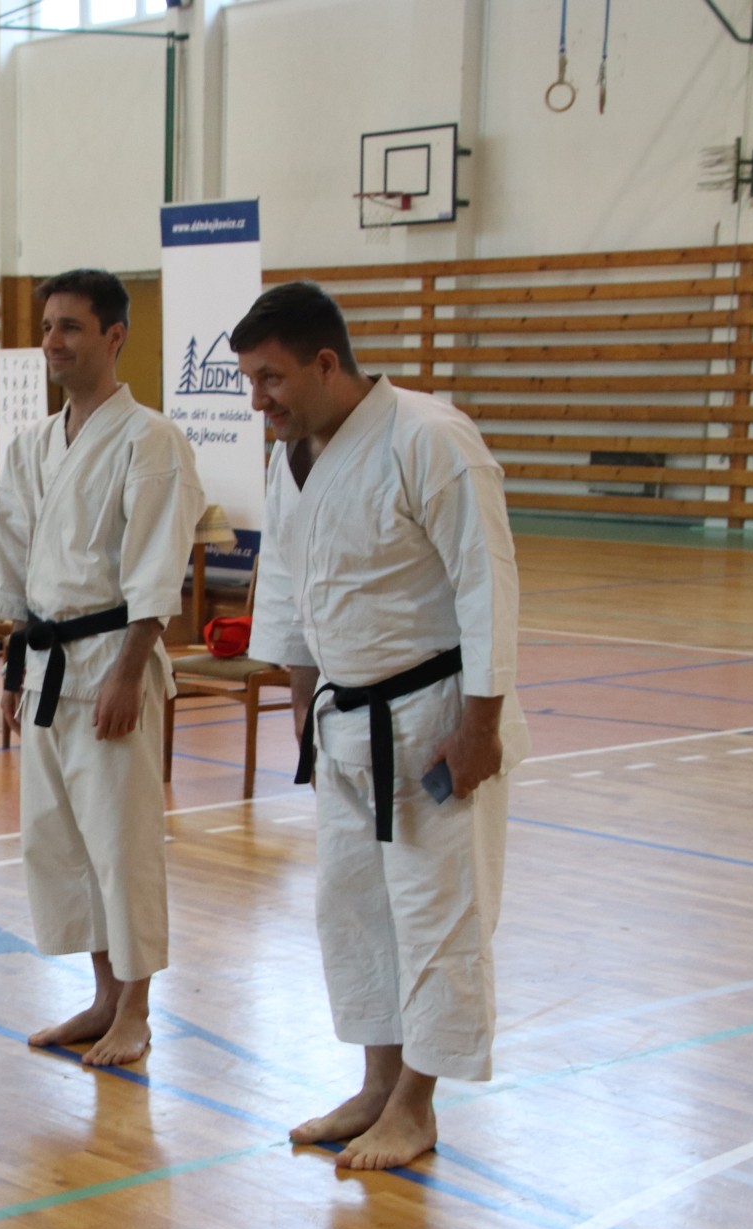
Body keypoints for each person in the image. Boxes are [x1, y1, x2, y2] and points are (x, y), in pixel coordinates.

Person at [235, 281, 528, 1171]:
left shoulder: (430, 438)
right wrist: (301, 704)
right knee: (355, 910)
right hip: (344, 720)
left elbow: (487, 583)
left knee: (436, 913)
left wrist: (480, 727)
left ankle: (416, 1105)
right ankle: (375, 1083)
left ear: (327, 363)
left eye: (272, 378)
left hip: (434, 715)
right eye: (250, 382)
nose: (259, 400)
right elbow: (287, 591)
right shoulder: (291, 457)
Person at [0, 269, 205, 1067]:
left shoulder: (151, 440)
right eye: (47, 327)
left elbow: (156, 568)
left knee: (121, 840)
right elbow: (13, 559)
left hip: (112, 657)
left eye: (70, 327)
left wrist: (130, 671)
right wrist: (13, 666)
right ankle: (104, 995)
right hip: (45, 661)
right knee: (62, 840)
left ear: (114, 336)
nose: (53, 342)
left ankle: (136, 1011)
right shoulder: (31, 446)